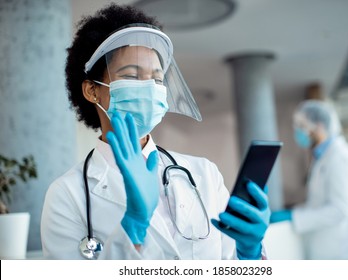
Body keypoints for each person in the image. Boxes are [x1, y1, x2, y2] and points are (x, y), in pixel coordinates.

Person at [40, 3, 270, 260]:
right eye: (132, 75)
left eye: (157, 79)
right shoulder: (66, 195)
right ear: (92, 90)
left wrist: (249, 253)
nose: (149, 88)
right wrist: (134, 225)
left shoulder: (204, 175)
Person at [270, 100, 348, 259]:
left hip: (344, 254)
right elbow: (319, 203)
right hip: (327, 252)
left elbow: (339, 210)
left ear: (319, 126)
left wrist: (295, 217)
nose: (298, 131)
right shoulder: (321, 158)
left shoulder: (340, 157)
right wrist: (293, 212)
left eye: (302, 126)